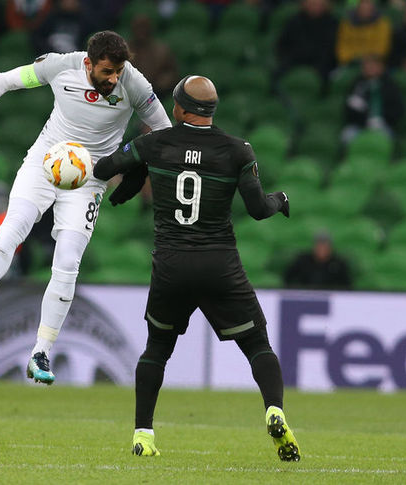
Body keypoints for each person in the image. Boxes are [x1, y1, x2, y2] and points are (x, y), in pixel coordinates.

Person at [93, 75, 299, 461]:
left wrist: (133, 166)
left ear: (180, 108)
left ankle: (143, 435)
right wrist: (280, 199)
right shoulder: (238, 150)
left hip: (171, 264)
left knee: (157, 349)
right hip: (219, 264)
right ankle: (274, 409)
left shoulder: (154, 143)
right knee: (257, 345)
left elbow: (105, 168)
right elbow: (258, 209)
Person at [0, 30, 172, 384]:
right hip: (45, 161)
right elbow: (12, 79)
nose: (114, 79)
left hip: (90, 178)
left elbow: (164, 129)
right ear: (88, 63)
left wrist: (139, 164)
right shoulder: (61, 66)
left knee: (68, 261)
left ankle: (41, 352)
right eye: (107, 71)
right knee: (13, 226)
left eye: (119, 71)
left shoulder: (134, 83)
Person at [340, 55, 405, 145]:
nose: (368, 69)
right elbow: (347, 110)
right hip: (359, 125)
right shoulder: (357, 84)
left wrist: (381, 118)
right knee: (347, 137)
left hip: (383, 125)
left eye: (372, 66)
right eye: (366, 66)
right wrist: (362, 116)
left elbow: (399, 110)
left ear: (381, 68)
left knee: (384, 141)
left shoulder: (390, 86)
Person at [274, 0, 338, 83]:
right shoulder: (294, 21)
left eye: (318, 4)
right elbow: (283, 44)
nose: (315, 7)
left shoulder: (333, 24)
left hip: (320, 65)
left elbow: (330, 51)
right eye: (312, 4)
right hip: (293, 62)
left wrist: (317, 67)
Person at [283, 230, 352, 289]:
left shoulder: (338, 263)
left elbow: (347, 285)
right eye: (319, 245)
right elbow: (288, 279)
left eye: (324, 246)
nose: (322, 249)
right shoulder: (303, 261)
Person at [335, 0, 391, 67]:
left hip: (374, 63)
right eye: (362, 7)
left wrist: (369, 58)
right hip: (350, 63)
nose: (365, 10)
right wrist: (353, 58)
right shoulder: (347, 24)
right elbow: (342, 46)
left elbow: (381, 47)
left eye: (368, 8)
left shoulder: (382, 24)